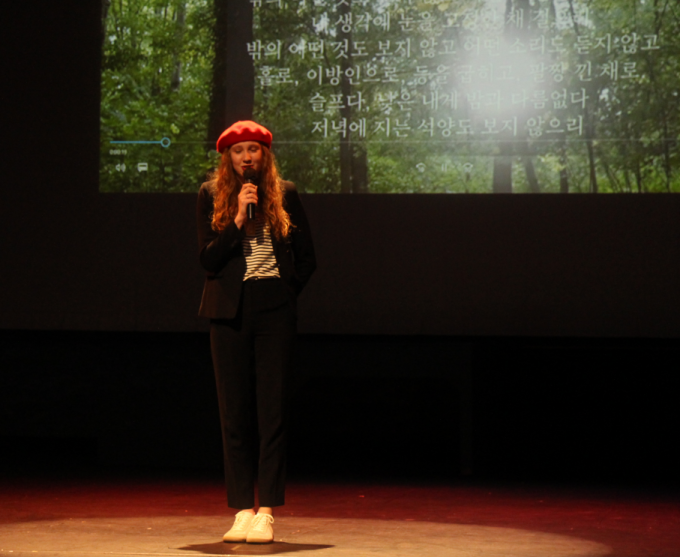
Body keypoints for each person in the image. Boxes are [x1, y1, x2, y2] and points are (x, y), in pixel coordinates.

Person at [196, 120, 316, 544]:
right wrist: (236, 221)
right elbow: (209, 260)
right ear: (227, 158)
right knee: (234, 413)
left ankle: (266, 510)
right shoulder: (212, 196)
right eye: (238, 151)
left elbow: (307, 259)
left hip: (273, 308)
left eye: (254, 149)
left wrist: (284, 295)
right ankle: (242, 510)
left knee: (271, 412)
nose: (247, 157)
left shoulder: (286, 194)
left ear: (265, 155)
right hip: (229, 310)